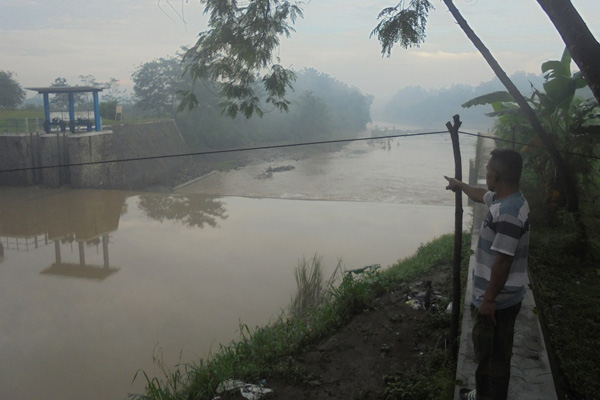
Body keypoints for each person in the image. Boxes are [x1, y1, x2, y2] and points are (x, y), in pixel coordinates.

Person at [444, 149, 530, 400]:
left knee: (491, 357)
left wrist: (489, 300)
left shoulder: (508, 213)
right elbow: (482, 195)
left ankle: (487, 396)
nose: (485, 172)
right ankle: (484, 393)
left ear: (498, 175)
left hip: (497, 302)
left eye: (488, 170)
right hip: (501, 299)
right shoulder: (507, 201)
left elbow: (503, 261)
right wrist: (460, 185)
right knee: (492, 356)